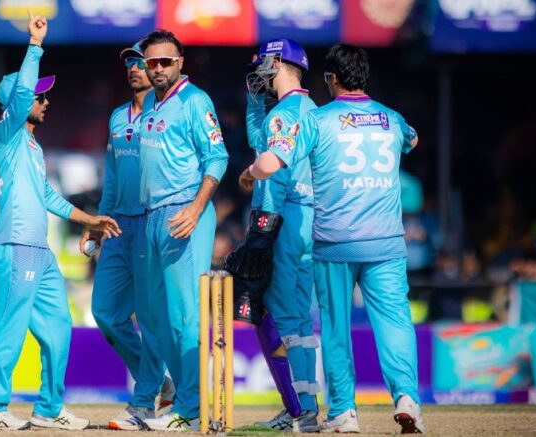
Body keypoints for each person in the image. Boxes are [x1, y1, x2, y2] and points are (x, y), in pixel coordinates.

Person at [246, 43, 425, 434]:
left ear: (331, 78)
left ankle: (344, 411)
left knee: (335, 328)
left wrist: (251, 173)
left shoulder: (317, 119)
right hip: (387, 242)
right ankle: (407, 397)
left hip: (336, 241)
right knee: (395, 321)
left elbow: (272, 160)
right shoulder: (392, 118)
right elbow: (412, 140)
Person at [0, 10, 121, 431]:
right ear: (18, 104)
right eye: (40, 97)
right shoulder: (6, 134)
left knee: (58, 326)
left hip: (40, 251)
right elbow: (22, 93)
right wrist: (35, 45)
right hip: (15, 246)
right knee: (9, 330)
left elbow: (47, 196)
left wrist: (88, 218)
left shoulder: (33, 148)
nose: (45, 101)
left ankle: (49, 408)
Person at [135, 29, 229, 431]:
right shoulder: (151, 104)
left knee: (184, 316)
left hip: (185, 213)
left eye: (165, 62)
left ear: (180, 63)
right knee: (157, 317)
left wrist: (195, 208)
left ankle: (191, 408)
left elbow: (218, 157)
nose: (157, 69)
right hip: (152, 217)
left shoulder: (195, 101)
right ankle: (185, 400)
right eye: (151, 62)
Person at [78, 40, 174, 430]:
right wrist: (97, 223)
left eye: (140, 62)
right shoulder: (118, 117)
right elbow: (113, 177)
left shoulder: (165, 111)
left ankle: (144, 401)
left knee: (150, 318)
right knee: (104, 312)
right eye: (130, 63)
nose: (134, 68)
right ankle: (161, 383)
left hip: (152, 222)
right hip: (118, 224)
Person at [230, 38, 320, 432]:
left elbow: (272, 169)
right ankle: (306, 406)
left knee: (277, 316)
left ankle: (300, 411)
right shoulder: (312, 111)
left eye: (263, 66)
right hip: (310, 223)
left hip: (282, 220)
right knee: (298, 320)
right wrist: (254, 104)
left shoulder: (283, 114)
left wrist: (262, 231)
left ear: (279, 63)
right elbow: (261, 147)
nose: (258, 74)